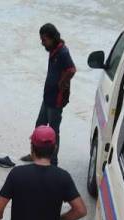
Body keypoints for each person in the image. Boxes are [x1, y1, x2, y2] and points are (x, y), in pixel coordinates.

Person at [21, 24, 76, 165]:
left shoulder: (63, 52)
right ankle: (35, 154)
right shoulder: (53, 50)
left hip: (56, 100)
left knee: (53, 131)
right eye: (41, 40)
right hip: (47, 97)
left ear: (53, 38)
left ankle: (53, 161)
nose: (42, 43)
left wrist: (62, 83)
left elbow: (71, 70)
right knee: (39, 125)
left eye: (44, 40)